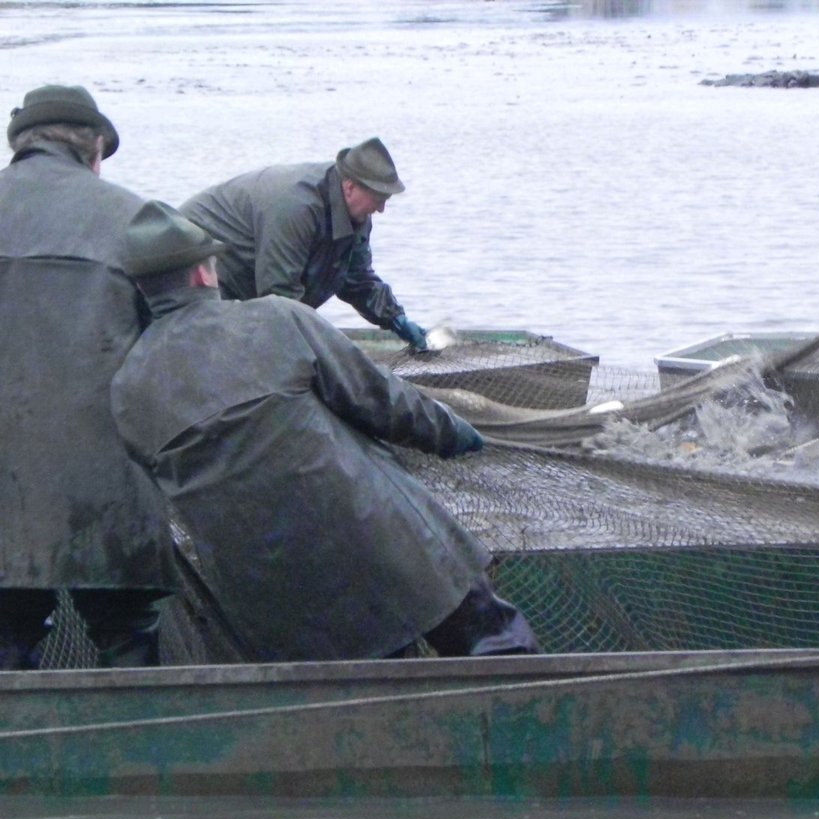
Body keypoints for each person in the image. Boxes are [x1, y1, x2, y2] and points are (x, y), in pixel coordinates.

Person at [110, 200, 540, 661]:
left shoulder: (125, 390)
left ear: (143, 287)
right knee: (494, 644)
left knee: (369, 701)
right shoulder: (275, 318)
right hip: (382, 544)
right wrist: (450, 432)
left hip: (277, 599)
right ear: (201, 274)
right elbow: (381, 399)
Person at [0, 85, 175, 669]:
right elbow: (186, 352)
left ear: (21, 145)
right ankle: (137, 748)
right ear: (94, 150)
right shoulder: (140, 220)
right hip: (111, 493)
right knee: (127, 636)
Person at [179, 137, 430, 350]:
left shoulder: (358, 215)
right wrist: (325, 346)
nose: (382, 208)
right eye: (378, 198)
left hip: (251, 279)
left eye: (386, 199)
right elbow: (280, 295)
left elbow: (356, 278)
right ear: (351, 186)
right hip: (197, 262)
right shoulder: (296, 207)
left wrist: (395, 317)